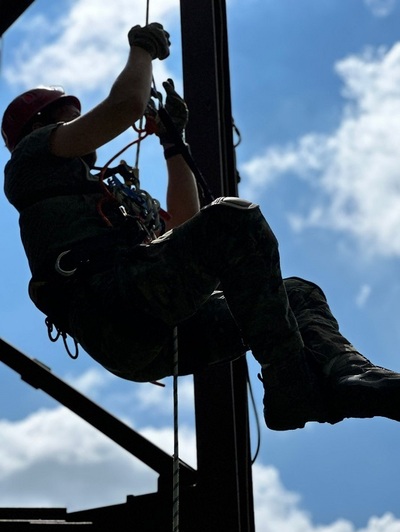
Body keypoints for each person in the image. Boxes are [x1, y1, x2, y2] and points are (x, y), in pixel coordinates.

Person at [3, 23, 400, 432]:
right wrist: (143, 49)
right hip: (111, 304)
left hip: (146, 328)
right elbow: (125, 106)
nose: (81, 124)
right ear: (39, 127)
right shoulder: (31, 162)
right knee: (234, 218)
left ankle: (349, 374)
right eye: (69, 119)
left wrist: (174, 145)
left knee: (297, 294)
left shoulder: (103, 198)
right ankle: (291, 387)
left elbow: (186, 227)